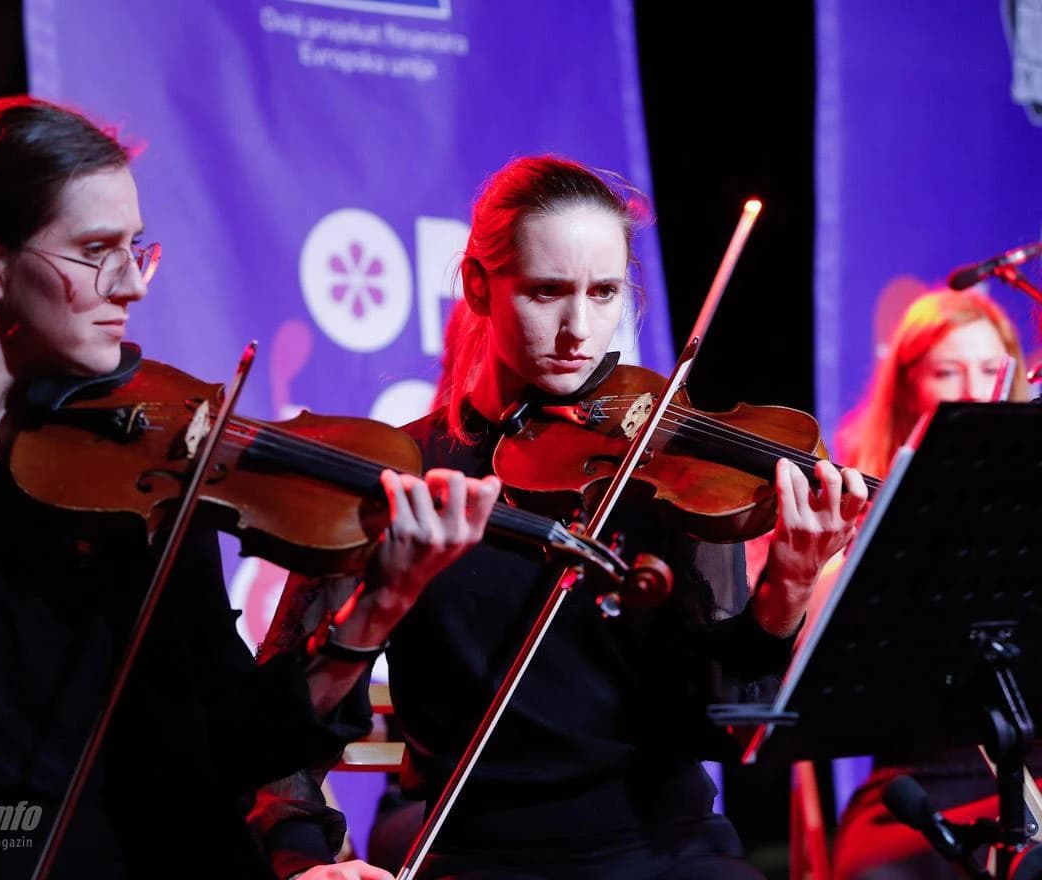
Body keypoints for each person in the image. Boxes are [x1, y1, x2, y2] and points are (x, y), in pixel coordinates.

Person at [0, 95, 503, 879]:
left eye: (137, 248)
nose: (132, 285)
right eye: (95, 250)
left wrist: (376, 608)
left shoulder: (147, 471)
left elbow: (224, 745)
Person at [250, 154, 867, 880]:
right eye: (547, 293)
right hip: (484, 859)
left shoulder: (663, 466)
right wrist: (304, 861)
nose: (580, 328)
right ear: (479, 286)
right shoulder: (399, 471)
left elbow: (726, 730)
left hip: (673, 853)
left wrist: (787, 589)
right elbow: (277, 741)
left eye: (604, 292)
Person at [825, 288, 1033, 880]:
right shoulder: (858, 501)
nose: (974, 390)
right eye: (949, 371)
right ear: (908, 385)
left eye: (992, 369)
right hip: (919, 781)